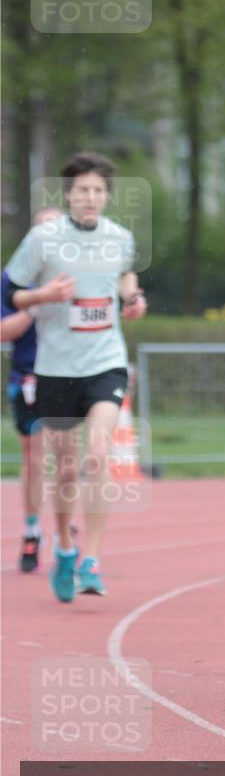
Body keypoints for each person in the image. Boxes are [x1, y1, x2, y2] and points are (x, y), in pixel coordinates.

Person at [4, 152, 147, 602]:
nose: (89, 198)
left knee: (97, 455)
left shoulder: (119, 237)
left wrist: (133, 297)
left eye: (98, 191)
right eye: (81, 190)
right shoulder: (43, 239)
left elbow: (124, 275)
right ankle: (65, 547)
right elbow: (9, 290)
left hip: (105, 361)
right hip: (55, 368)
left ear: (107, 196)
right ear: (68, 195)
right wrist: (44, 295)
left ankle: (91, 559)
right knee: (66, 468)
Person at [1, 208, 62, 572]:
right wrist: (36, 304)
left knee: (69, 457)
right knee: (36, 459)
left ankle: (67, 532)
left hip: (71, 377)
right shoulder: (12, 284)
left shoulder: (78, 279)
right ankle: (32, 530)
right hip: (28, 378)